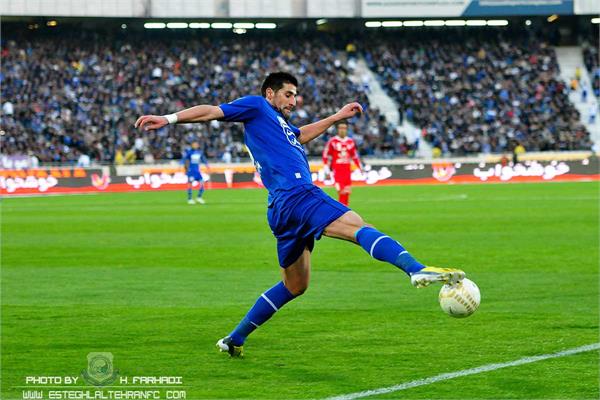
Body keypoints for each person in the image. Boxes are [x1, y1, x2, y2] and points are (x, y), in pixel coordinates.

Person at [135, 72, 466, 358]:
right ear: (271, 93)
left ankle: (233, 339)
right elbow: (212, 111)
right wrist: (169, 119)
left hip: (279, 209)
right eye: (288, 94)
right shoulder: (256, 106)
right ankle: (415, 269)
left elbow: (301, 134)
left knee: (295, 284)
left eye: (296, 96)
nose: (293, 101)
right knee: (357, 225)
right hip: (298, 194)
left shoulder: (281, 125)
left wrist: (336, 118)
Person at [322, 121, 363, 206]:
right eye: (340, 128)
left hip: (347, 170)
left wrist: (360, 167)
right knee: (341, 191)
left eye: (344, 128)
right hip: (337, 170)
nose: (342, 130)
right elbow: (326, 155)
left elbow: (354, 156)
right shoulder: (333, 141)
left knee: (347, 192)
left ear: (347, 130)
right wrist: (326, 167)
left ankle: (345, 210)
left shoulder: (350, 141)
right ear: (337, 129)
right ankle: (342, 212)